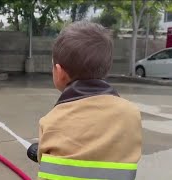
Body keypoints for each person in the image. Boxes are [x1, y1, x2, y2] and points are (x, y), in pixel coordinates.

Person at [36, 21, 142, 180]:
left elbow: (43, 159)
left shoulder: (51, 121)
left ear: (59, 72)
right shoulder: (132, 114)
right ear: (106, 68)